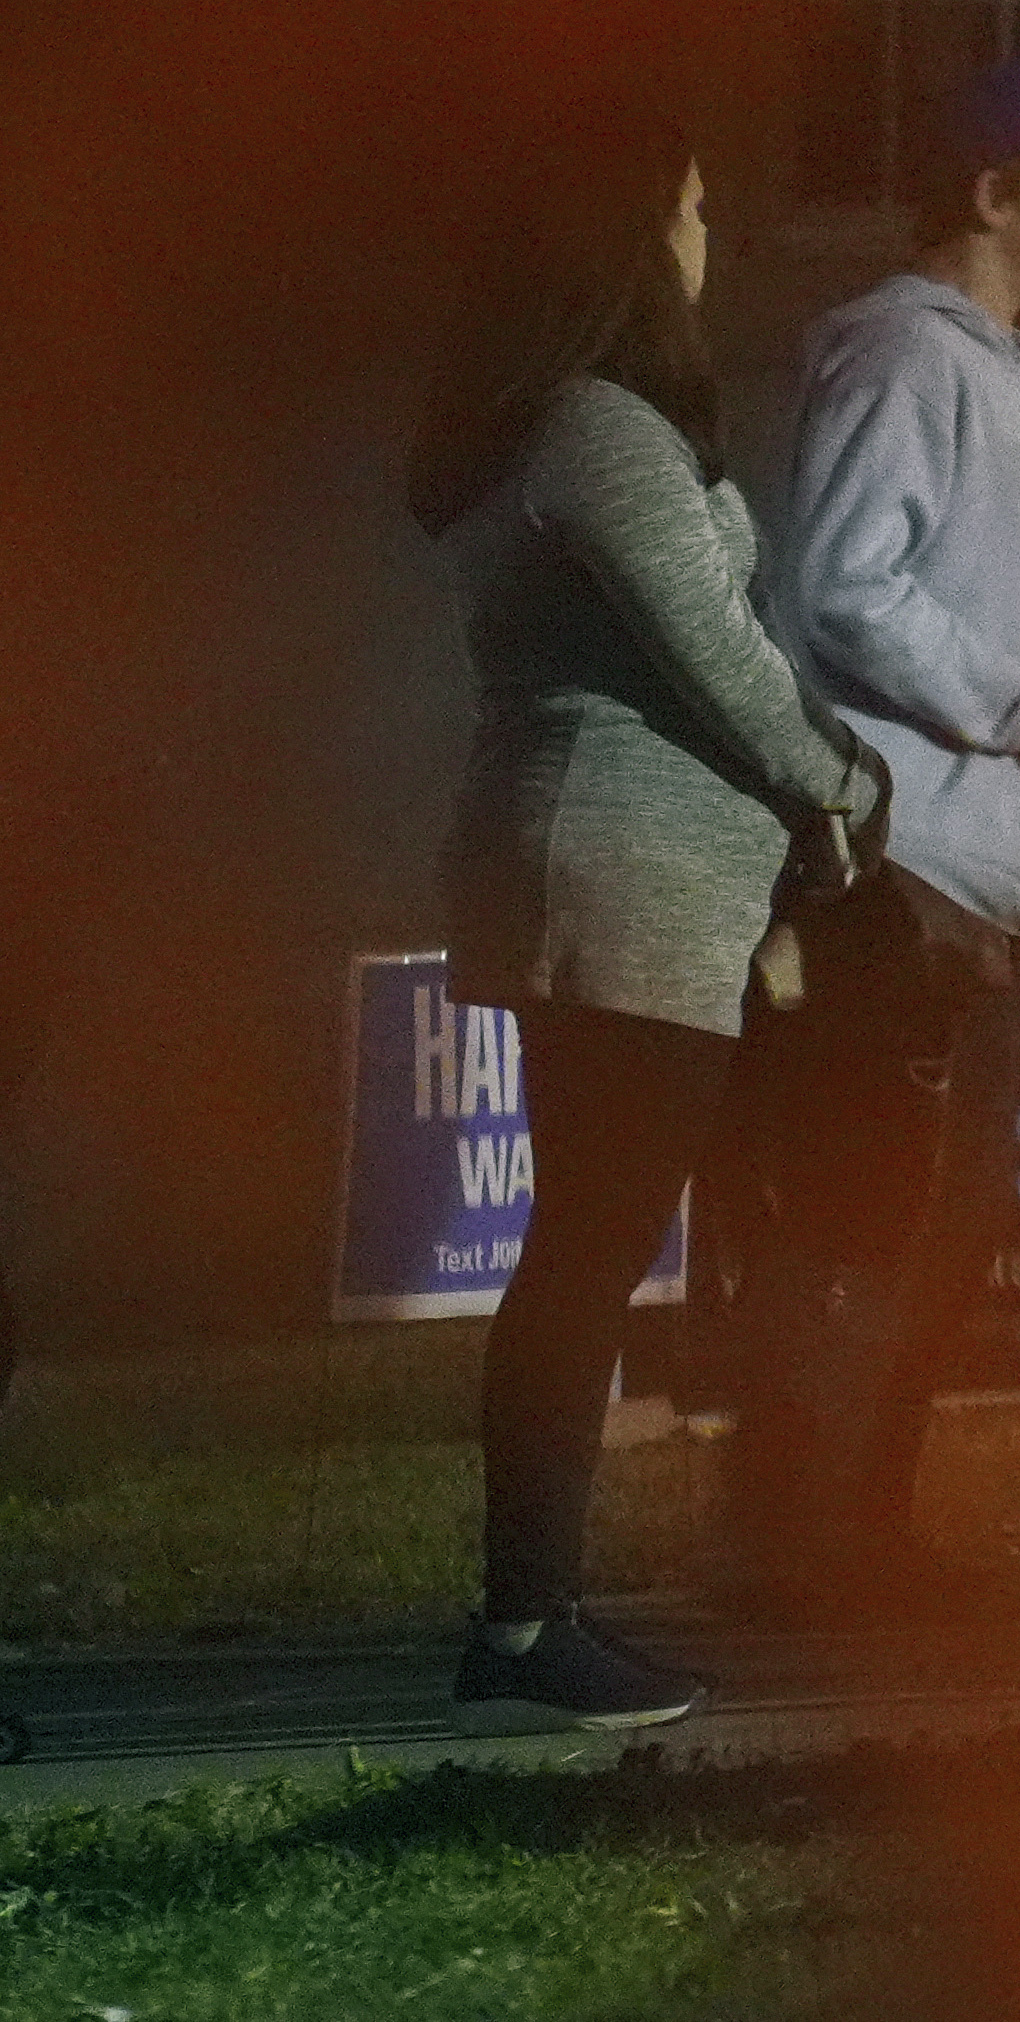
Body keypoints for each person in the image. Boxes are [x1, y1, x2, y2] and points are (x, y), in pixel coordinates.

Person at [411, 113, 885, 1731]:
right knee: (591, 1248)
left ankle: (534, 1612)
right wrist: (844, 785)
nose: (708, 241)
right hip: (619, 858)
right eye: (687, 209)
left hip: (613, 858)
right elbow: (719, 649)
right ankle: (528, 1624)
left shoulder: (543, 422)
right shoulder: (599, 425)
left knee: (592, 1241)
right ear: (625, 240)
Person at [741, 54, 1020, 1605]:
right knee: (873, 1224)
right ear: (990, 195)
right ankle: (802, 1554)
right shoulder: (904, 359)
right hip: (901, 868)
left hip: (980, 874)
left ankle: (845, 1541)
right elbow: (841, 585)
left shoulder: (1011, 381)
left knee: (935, 1227)